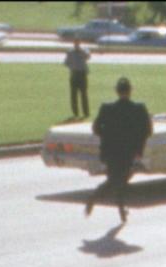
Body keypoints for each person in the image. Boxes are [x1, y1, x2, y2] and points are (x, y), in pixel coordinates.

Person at [86, 77, 152, 223]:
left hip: (110, 150)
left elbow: (96, 128)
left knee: (119, 179)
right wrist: (138, 146)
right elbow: (147, 130)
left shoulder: (107, 108)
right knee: (117, 180)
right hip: (128, 151)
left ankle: (121, 210)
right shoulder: (139, 108)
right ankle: (95, 197)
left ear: (117, 91)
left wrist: (106, 138)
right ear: (130, 91)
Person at [63, 39, 91, 119]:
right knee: (73, 95)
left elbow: (88, 56)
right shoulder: (70, 52)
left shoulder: (85, 50)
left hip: (82, 74)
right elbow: (66, 63)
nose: (76, 43)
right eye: (75, 42)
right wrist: (72, 67)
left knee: (84, 94)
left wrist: (80, 51)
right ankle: (75, 113)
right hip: (74, 74)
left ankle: (86, 112)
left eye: (78, 42)